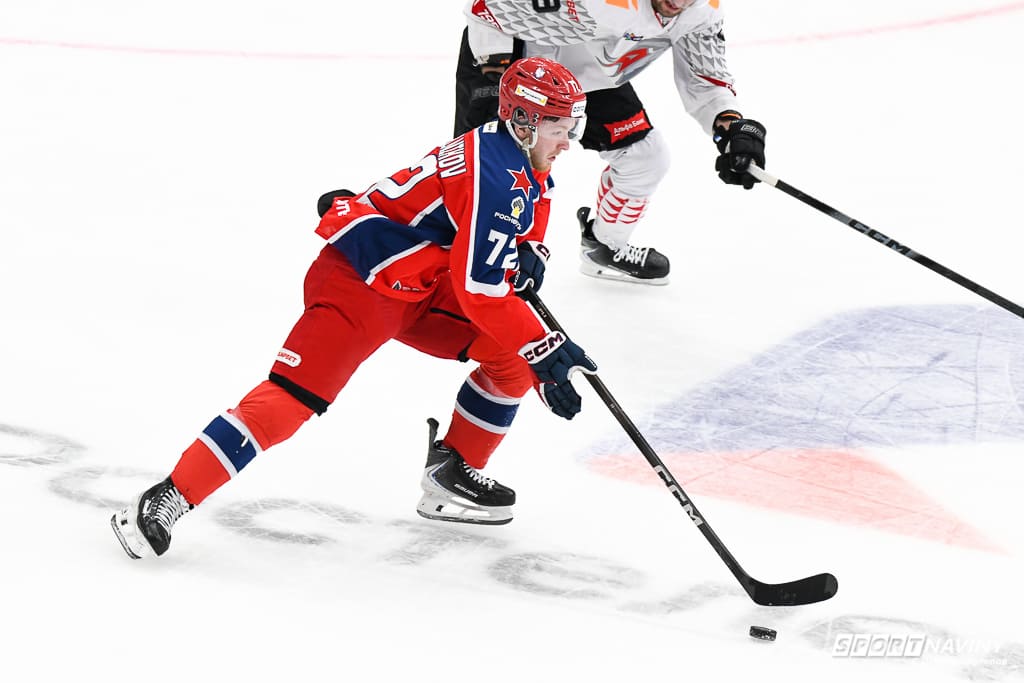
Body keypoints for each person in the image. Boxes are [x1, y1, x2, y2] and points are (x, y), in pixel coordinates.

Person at [110, 56, 598, 559]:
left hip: (421, 282)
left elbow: (532, 201)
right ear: (524, 120)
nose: (568, 141)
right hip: (360, 282)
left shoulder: (518, 153)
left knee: (512, 354)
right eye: (559, 128)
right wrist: (544, 349)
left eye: (571, 127)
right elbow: (481, 289)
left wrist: (531, 250)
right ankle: (169, 495)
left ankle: (451, 473)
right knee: (291, 400)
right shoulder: (493, 173)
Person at [455, 0, 767, 285]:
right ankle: (464, 258)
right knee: (491, 172)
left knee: (645, 158)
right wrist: (495, 62)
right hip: (517, 66)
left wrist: (732, 129)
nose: (679, 2)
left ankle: (604, 245)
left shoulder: (703, 12)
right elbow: (487, 6)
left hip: (588, 75)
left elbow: (706, 80)